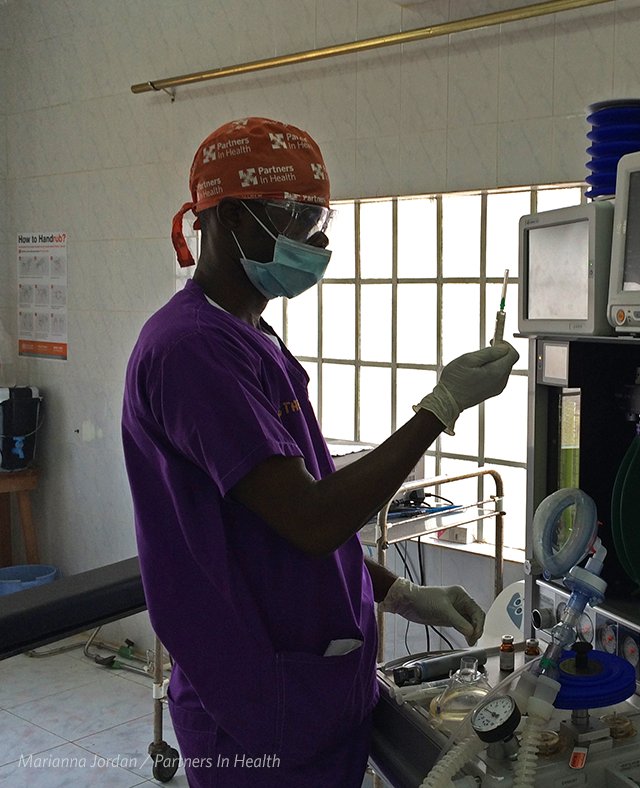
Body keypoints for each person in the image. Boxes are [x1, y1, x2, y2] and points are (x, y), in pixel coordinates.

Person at [121, 117, 519, 787]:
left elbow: (273, 530)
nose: (317, 239)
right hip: (254, 705)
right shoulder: (192, 351)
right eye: (293, 215)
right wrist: (440, 407)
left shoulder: (254, 338)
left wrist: (399, 593)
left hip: (306, 691)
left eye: (318, 216)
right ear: (220, 217)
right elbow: (311, 519)